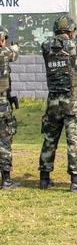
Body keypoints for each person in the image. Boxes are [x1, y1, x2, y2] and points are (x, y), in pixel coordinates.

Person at [38, 15, 77, 192]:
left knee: (49, 140)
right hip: (71, 102)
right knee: (74, 141)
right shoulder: (73, 45)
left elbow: (54, 44)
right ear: (70, 31)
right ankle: (76, 181)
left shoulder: (46, 46)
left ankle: (44, 179)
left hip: (53, 101)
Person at [0, 26, 20, 189]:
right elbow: (13, 53)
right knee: (4, 140)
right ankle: (6, 180)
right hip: (2, 105)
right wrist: (14, 47)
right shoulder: (5, 53)